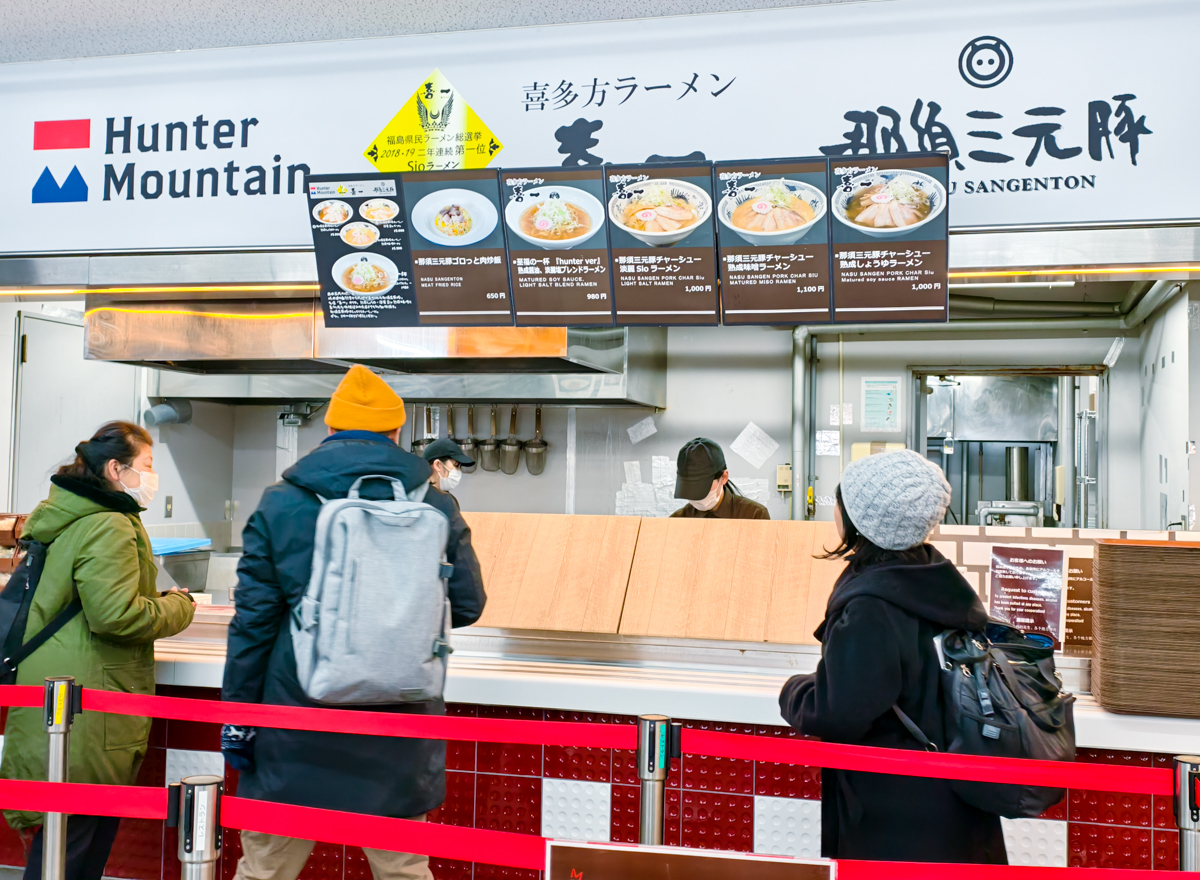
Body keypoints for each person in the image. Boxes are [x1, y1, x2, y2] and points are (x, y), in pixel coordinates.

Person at [222, 365, 486, 880]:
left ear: (330, 430)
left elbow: (252, 624)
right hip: (398, 724)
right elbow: (468, 604)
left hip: (293, 720)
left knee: (265, 870)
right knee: (402, 870)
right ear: (396, 433)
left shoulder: (282, 501)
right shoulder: (432, 501)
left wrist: (239, 719)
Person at [778, 450, 1005, 864]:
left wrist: (794, 691)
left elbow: (839, 710)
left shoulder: (872, 605)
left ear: (863, 519)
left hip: (896, 822)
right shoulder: (932, 576)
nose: (835, 510)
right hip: (954, 808)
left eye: (841, 501)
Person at [0, 421, 196, 880]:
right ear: (115, 469)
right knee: (73, 850)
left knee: (62, 847)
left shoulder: (68, 514)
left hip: (57, 690)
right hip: (87, 702)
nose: (152, 477)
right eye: (147, 465)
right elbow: (116, 615)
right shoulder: (109, 524)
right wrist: (178, 607)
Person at [670, 437, 769, 519]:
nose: (696, 497)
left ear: (724, 477)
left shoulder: (754, 515)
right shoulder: (677, 520)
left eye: (701, 487)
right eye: (689, 488)